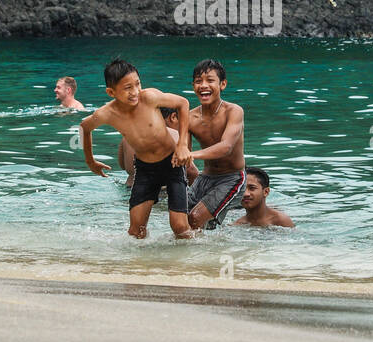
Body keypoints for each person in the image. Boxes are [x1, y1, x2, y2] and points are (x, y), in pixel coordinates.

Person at [79, 59, 193, 239]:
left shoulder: (149, 98)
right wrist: (90, 161)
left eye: (137, 84)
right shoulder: (106, 114)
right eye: (127, 88)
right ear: (111, 92)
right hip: (145, 170)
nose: (135, 92)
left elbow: (183, 103)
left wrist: (182, 145)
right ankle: (139, 266)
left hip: (172, 162)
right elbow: (85, 127)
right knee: (136, 231)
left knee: (180, 228)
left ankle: (192, 260)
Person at [185, 59, 247, 231]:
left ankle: (195, 255)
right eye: (198, 81)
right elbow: (183, 151)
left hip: (232, 178)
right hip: (204, 178)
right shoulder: (189, 117)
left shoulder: (234, 111)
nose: (203, 85)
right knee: (180, 217)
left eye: (210, 80)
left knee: (195, 218)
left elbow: (226, 146)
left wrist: (192, 155)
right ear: (193, 86)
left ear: (223, 84)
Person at [119, 108, 198, 188]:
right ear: (173, 117)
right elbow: (191, 171)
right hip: (161, 194)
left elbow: (122, 166)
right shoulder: (172, 135)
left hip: (130, 189)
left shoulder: (128, 136)